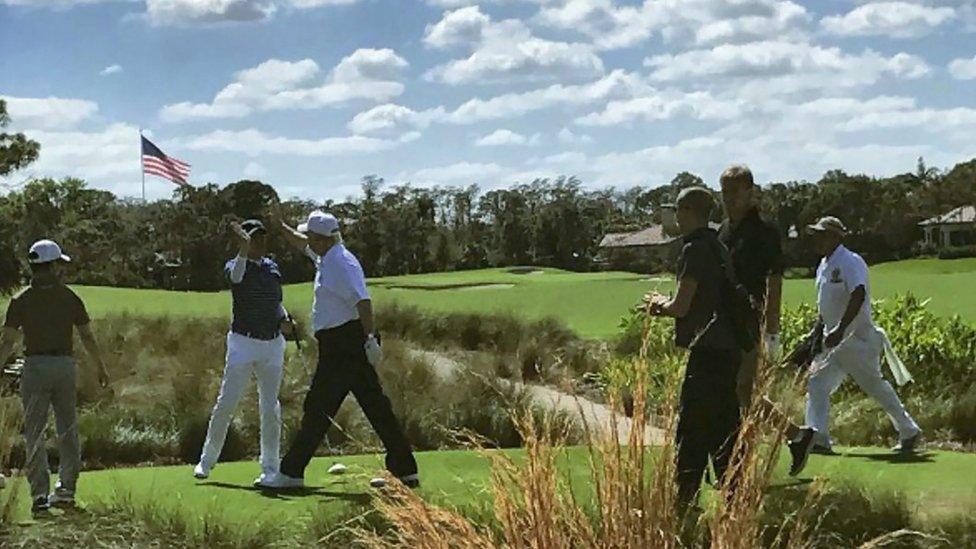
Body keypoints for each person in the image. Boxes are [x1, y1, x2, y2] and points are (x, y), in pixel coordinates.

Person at [257, 210, 419, 489]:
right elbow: (301, 244)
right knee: (375, 406)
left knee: (318, 407)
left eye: (311, 235)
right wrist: (281, 227)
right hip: (342, 343)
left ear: (322, 238)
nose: (307, 238)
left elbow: (363, 302)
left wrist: (369, 338)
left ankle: (291, 472)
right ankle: (405, 471)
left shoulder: (341, 264)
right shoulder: (327, 257)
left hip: (344, 343)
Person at [718, 165, 816, 476]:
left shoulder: (764, 232)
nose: (728, 199)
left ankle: (751, 454)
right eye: (724, 192)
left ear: (750, 192)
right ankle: (794, 436)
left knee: (742, 390)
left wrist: (771, 329)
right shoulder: (723, 232)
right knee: (737, 391)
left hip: (752, 321)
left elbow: (774, 280)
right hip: (724, 323)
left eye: (734, 192)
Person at [646, 187, 740, 509]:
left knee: (693, 429)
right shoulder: (719, 246)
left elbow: (682, 305)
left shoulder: (693, 250)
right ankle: (734, 498)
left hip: (706, 351)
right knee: (725, 427)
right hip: (729, 352)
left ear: (688, 212)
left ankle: (685, 500)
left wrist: (659, 305)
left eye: (677, 210)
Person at [0, 239, 109, 512]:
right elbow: (87, 336)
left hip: (35, 367)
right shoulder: (70, 297)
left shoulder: (20, 300)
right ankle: (66, 490)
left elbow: (8, 341)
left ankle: (39, 495)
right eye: (60, 264)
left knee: (34, 433)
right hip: (63, 366)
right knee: (67, 429)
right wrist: (100, 366)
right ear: (53, 266)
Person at [804, 216, 922, 454]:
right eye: (816, 234)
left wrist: (840, 328)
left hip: (856, 339)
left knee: (874, 386)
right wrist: (818, 332)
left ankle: (909, 430)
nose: (817, 239)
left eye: (822, 234)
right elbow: (825, 304)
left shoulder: (850, 261)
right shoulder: (823, 265)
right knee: (817, 384)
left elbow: (858, 294)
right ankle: (817, 437)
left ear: (836, 236)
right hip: (833, 342)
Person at [194, 220, 289, 487]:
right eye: (254, 238)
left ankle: (271, 468)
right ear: (244, 240)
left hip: (272, 343)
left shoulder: (272, 267)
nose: (259, 243)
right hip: (242, 343)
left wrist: (285, 317)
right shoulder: (235, 265)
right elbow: (235, 276)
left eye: (262, 239)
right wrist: (244, 250)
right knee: (227, 402)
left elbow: (276, 301)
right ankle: (206, 460)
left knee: (270, 408)